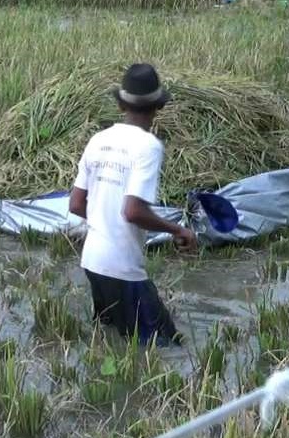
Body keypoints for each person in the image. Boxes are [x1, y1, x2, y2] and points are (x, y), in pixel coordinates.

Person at [69, 63, 197, 346]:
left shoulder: (98, 140)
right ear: (158, 107)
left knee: (113, 339)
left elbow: (76, 204)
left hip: (92, 262)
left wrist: (104, 219)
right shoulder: (148, 146)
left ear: (120, 103)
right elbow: (133, 211)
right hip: (123, 267)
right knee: (165, 346)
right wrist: (178, 230)